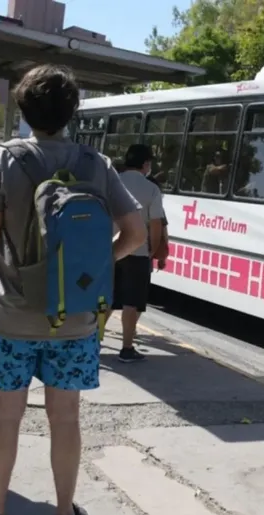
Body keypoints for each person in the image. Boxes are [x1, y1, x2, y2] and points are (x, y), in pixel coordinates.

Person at [0, 64, 146, 515]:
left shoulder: (0, 160)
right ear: (72, 110)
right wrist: (97, 267)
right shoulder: (96, 164)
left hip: (9, 316)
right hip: (74, 319)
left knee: (4, 417)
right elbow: (136, 233)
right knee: (66, 418)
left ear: (23, 109)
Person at [114, 144, 167, 362]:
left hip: (109, 250)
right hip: (137, 252)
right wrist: (152, 251)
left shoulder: (112, 182)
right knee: (131, 302)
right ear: (146, 164)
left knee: (106, 300)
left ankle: (94, 342)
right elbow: (156, 224)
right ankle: (127, 349)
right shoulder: (151, 189)